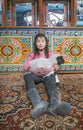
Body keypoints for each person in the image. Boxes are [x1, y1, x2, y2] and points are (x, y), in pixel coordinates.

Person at [23, 33, 71, 118]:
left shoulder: (50, 54)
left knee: (52, 82)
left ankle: (55, 106)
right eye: (38, 41)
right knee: (27, 76)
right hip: (36, 75)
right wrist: (32, 69)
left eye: (42, 41)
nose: (40, 43)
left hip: (47, 75)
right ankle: (38, 103)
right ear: (35, 44)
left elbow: (57, 64)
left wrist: (51, 69)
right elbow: (26, 65)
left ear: (46, 43)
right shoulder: (32, 54)